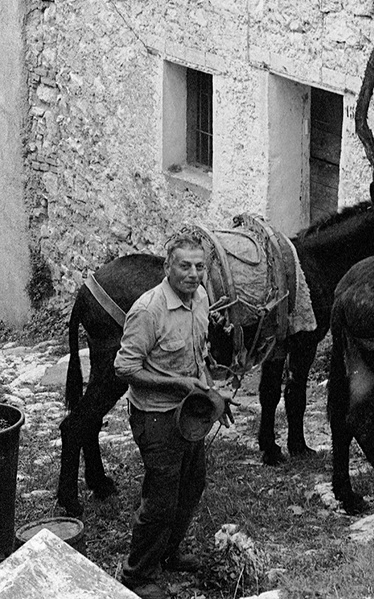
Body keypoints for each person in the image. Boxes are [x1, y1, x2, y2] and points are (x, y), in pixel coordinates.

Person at [114, 228, 223, 599]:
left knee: (192, 485)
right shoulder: (148, 310)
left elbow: (199, 353)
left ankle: (170, 553)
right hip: (156, 416)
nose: (192, 274)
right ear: (167, 266)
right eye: (184, 266)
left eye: (199, 267)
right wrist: (176, 385)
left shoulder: (202, 298)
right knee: (161, 497)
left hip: (190, 413)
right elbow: (124, 368)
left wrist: (209, 393)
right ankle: (137, 573)